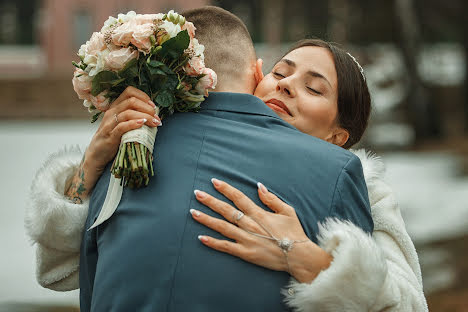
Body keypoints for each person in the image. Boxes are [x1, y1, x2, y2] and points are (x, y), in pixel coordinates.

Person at [24, 6, 426, 312]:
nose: (285, 86)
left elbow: (408, 303)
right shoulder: (151, 148)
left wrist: (309, 258)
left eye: (314, 88)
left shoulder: (360, 185)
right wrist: (91, 166)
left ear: (339, 136)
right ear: (255, 76)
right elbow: (61, 270)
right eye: (282, 72)